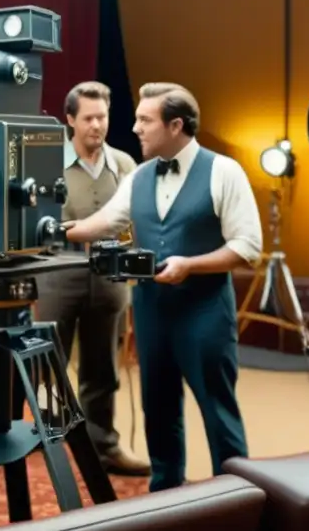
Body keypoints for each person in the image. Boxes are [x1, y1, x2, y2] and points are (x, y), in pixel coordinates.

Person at [63, 83, 263, 491]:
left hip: (205, 313)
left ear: (176, 125)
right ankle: (166, 493)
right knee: (158, 409)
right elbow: (103, 223)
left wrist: (191, 265)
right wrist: (47, 231)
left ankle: (236, 496)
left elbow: (248, 248)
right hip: (152, 312)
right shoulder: (138, 176)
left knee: (217, 409)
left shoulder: (224, 171)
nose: (134, 128)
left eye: (145, 120)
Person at [37, 82, 150, 476]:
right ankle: (47, 449)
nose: (97, 126)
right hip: (57, 274)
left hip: (110, 278)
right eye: (88, 118)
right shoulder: (48, 163)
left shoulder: (124, 164)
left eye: (102, 117)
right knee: (48, 365)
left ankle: (104, 447)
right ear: (70, 120)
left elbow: (137, 218)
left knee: (102, 369)